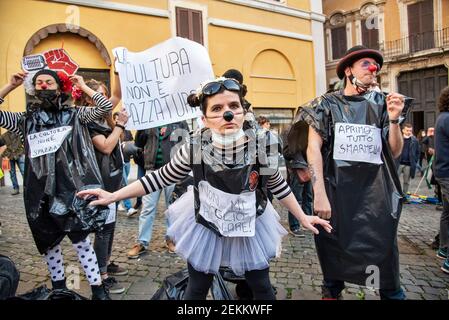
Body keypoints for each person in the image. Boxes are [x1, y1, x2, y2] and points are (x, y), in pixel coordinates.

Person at [78, 76, 332, 300]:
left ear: (243, 111)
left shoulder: (260, 143)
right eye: (218, 108)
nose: (227, 114)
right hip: (207, 223)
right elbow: (159, 178)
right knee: (198, 287)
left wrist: (302, 216)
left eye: (234, 106)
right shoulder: (194, 146)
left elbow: (277, 184)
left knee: (262, 287)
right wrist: (113, 196)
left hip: (250, 224)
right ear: (204, 118)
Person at [294, 45, 408, 300]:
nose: (373, 69)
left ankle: (390, 292)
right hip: (336, 195)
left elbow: (395, 151)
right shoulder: (326, 104)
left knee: (386, 263)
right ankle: (332, 293)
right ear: (348, 70)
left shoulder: (384, 104)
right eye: (366, 63)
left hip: (376, 199)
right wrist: (319, 193)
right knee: (333, 253)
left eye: (375, 65)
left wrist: (393, 120)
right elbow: (313, 148)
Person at [0, 70, 113, 299]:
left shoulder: (76, 115)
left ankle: (97, 290)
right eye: (39, 83)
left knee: (81, 242)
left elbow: (104, 108)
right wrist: (10, 86)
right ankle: (59, 287)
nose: (43, 86)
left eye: (49, 82)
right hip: (40, 191)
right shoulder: (25, 120)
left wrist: (82, 85)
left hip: (72, 190)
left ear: (60, 87)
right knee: (49, 244)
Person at [75, 78, 129, 294]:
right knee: (103, 229)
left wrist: (118, 67)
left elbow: (117, 94)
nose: (105, 99)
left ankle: (104, 261)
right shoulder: (86, 119)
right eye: (97, 94)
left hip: (112, 178)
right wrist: (120, 125)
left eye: (103, 95)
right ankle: (101, 274)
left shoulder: (103, 116)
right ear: (88, 98)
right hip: (98, 180)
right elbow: (106, 147)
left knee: (110, 225)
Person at [127, 120, 189, 258]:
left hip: (174, 171)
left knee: (172, 208)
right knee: (147, 208)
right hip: (152, 170)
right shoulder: (149, 119)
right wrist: (142, 127)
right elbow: (139, 143)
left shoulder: (179, 121)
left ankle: (172, 239)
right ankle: (142, 242)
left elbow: (187, 145)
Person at [282, 125, 313, 237]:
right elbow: (286, 153)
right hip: (297, 169)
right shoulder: (290, 131)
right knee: (296, 198)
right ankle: (294, 226)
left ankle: (308, 221)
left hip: (309, 167)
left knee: (308, 197)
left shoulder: (309, 131)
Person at [434, 86, 449, 271]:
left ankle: (444, 249)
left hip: (442, 172)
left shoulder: (441, 118)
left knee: (447, 213)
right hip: (447, 173)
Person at [112, 111, 138, 217]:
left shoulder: (126, 131)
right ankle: (129, 208)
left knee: (119, 184)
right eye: (117, 119)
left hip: (126, 161)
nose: (119, 120)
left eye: (120, 118)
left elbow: (132, 141)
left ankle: (116, 203)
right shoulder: (112, 131)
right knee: (124, 184)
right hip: (117, 163)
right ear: (114, 120)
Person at [397, 123, 420, 195]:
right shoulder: (398, 138)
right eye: (407, 130)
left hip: (408, 164)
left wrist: (415, 160)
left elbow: (417, 152)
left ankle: (404, 195)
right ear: (403, 130)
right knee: (394, 179)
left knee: (406, 181)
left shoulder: (414, 140)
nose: (409, 132)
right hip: (398, 163)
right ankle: (395, 193)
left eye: (410, 130)